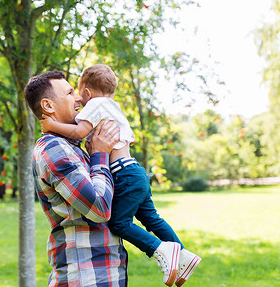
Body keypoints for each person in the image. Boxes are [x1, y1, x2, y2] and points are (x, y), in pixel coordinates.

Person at [40, 65, 201, 287]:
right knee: (151, 218)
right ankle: (182, 254)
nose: (77, 98)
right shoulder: (113, 108)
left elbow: (78, 132)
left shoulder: (94, 106)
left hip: (122, 174)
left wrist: (51, 124)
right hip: (134, 170)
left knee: (120, 222)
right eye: (69, 94)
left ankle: (160, 249)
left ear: (87, 92)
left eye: (76, 92)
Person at [24, 70, 128, 286]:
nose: (79, 97)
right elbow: (99, 208)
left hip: (102, 274)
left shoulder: (74, 148)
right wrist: (100, 154)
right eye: (70, 93)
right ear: (48, 106)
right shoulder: (53, 149)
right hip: (84, 277)